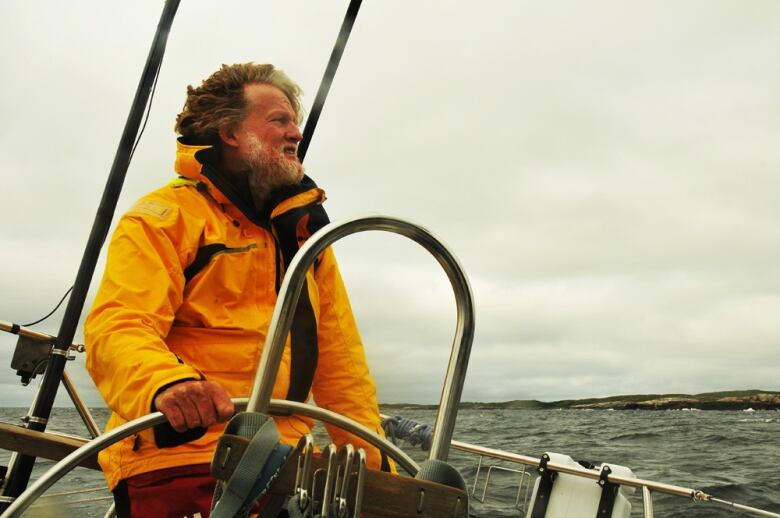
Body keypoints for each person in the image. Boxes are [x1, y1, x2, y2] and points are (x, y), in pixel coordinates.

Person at [85, 62, 390, 517]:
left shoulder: (306, 240)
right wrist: (167, 383)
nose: (297, 133)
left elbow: (341, 366)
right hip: (183, 455)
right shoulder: (164, 217)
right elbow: (118, 325)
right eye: (279, 120)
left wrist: (378, 466)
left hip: (291, 469)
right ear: (230, 132)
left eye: (294, 120)